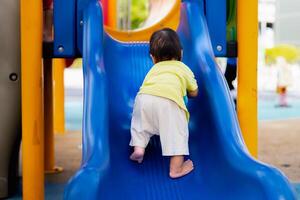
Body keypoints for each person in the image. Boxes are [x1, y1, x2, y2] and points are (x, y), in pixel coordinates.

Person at [129, 28, 198, 179]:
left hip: (143, 99)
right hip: (169, 103)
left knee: (140, 125)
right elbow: (194, 92)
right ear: (181, 53)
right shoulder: (183, 68)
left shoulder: (153, 70)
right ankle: (176, 169)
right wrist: (187, 92)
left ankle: (139, 148)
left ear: (152, 57)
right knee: (176, 135)